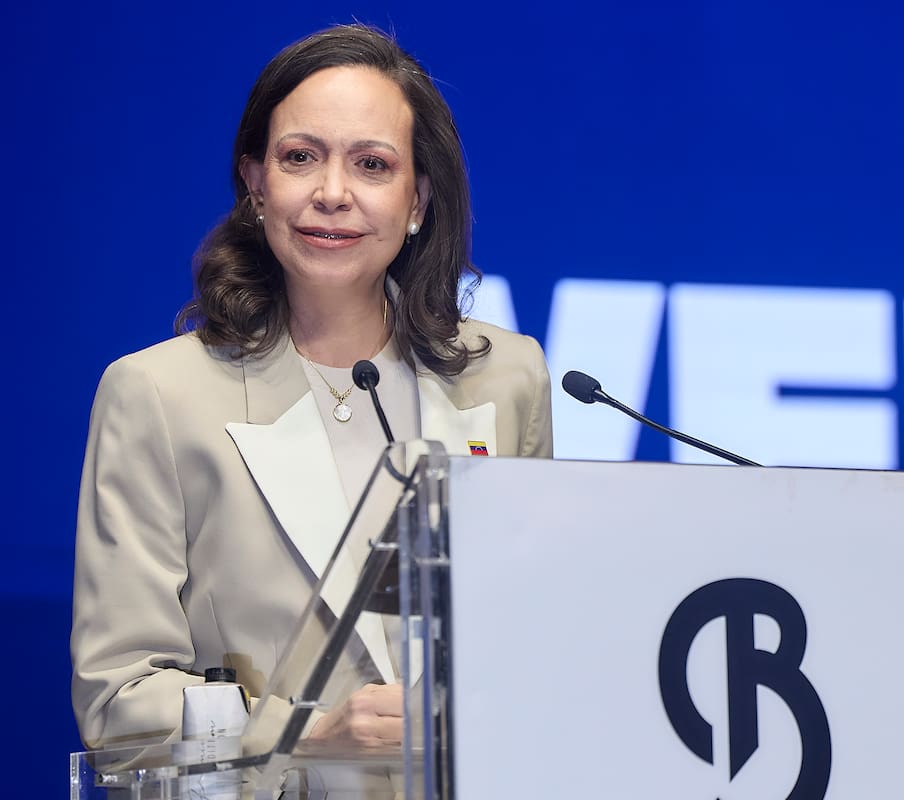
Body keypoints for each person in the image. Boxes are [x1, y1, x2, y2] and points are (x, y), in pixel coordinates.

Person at [70, 23, 553, 753]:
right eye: (301, 158)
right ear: (256, 184)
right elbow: (120, 695)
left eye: (371, 164)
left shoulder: (506, 376)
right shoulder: (157, 396)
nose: (333, 194)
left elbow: (538, 641)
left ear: (418, 199)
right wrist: (304, 733)